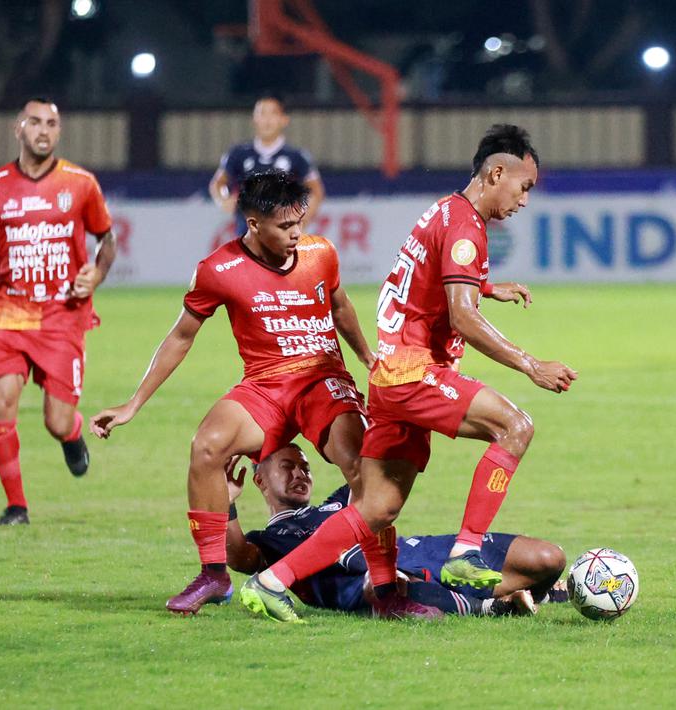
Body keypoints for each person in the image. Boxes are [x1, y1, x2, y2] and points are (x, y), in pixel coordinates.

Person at [238, 124, 578, 623]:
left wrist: (484, 286)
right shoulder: (468, 225)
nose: (525, 199)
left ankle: (272, 582)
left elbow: (423, 282)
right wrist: (531, 364)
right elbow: (461, 317)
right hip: (415, 371)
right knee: (515, 426)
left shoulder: (445, 210)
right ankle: (465, 552)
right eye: (524, 186)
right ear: (497, 172)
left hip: (391, 374)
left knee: (376, 508)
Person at [91, 170, 431, 619]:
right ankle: (213, 574)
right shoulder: (218, 270)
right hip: (266, 384)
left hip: (321, 378)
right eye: (285, 227)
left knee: (363, 470)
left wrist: (367, 357)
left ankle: (386, 593)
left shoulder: (320, 254)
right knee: (206, 447)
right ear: (253, 224)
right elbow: (180, 336)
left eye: (300, 223)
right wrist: (134, 403)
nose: (297, 235)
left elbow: (340, 305)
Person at [0, 97, 117, 527]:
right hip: (8, 313)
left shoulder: (81, 183)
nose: (44, 130)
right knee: (2, 403)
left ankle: (71, 434)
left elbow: (107, 239)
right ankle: (17, 507)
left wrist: (96, 275)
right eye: (35, 122)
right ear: (19, 129)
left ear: (58, 131)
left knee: (56, 419)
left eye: (52, 123)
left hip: (62, 315)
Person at [226, 444, 568, 617]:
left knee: (548, 558)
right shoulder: (269, 540)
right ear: (259, 480)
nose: (300, 475)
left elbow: (373, 466)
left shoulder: (340, 502)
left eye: (305, 468)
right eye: (288, 468)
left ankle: (541, 592)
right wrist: (225, 501)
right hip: (369, 586)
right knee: (385, 582)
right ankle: (495, 608)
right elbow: (238, 556)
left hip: (418, 552)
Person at [209, 95, 324, 235]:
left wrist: (302, 219)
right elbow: (218, 183)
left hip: (281, 241)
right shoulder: (238, 154)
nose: (267, 120)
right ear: (254, 119)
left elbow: (316, 191)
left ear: (284, 120)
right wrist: (223, 199)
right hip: (246, 238)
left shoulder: (297, 157)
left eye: (273, 113)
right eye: (262, 113)